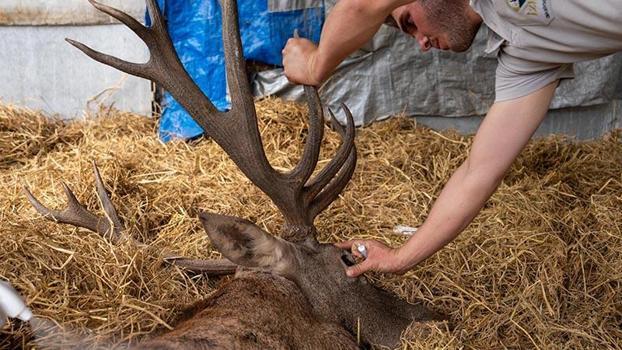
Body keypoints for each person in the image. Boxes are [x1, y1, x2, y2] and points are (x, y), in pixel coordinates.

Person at [281, 0, 622, 277]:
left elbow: (363, 5)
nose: (422, 43)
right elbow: (478, 173)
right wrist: (400, 258)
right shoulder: (525, 52)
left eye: (410, 21)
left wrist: (315, 65)